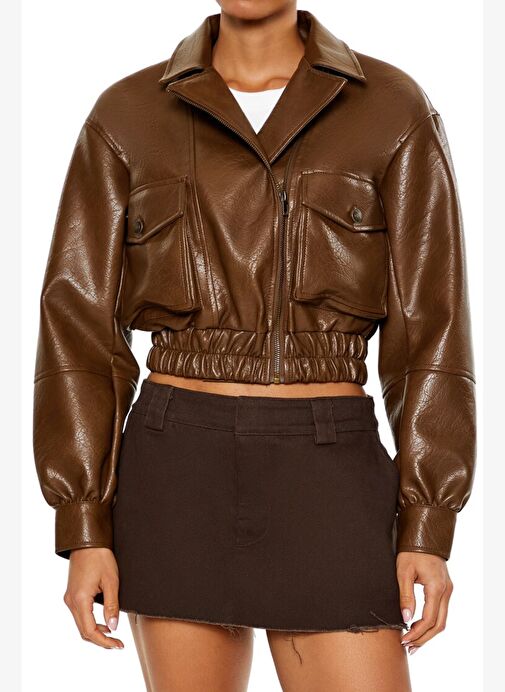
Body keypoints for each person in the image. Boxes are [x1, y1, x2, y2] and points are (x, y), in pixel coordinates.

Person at [32, 1, 476, 690]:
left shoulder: (392, 109)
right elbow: (77, 327)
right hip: (177, 469)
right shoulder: (126, 116)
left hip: (328, 467)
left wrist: (427, 519)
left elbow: (432, 328)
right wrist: (83, 521)